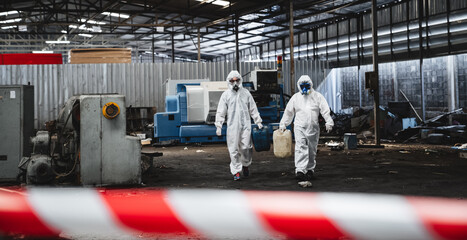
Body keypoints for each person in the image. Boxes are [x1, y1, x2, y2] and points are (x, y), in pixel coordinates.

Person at [279, 75, 334, 181]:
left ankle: (309, 170)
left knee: (311, 150)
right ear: (299, 86)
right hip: (300, 127)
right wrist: (283, 124)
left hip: (313, 128)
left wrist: (329, 121)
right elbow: (289, 112)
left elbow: (325, 109)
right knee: (300, 148)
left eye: (307, 85)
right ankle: (300, 170)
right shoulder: (296, 98)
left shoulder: (317, 96)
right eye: (302, 86)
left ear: (311, 85)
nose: (305, 88)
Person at [215, 70, 263, 181]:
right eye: (232, 81)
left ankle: (245, 164)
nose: (235, 83)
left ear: (240, 80)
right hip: (232, 126)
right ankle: (236, 171)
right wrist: (219, 125)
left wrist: (258, 121)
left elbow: (253, 108)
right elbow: (221, 111)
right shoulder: (226, 95)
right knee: (233, 149)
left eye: (237, 81)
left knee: (246, 147)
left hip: (245, 124)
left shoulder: (246, 93)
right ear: (229, 82)